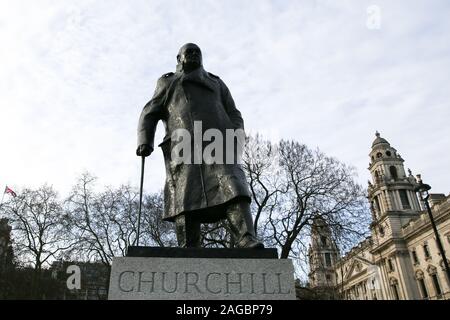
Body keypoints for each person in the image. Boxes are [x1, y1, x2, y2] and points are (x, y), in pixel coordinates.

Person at [136, 43, 263, 249]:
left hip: (219, 145)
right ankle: (188, 245)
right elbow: (149, 111)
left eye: (197, 52)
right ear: (179, 59)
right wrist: (144, 140)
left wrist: (235, 136)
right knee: (185, 196)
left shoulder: (216, 82)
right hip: (184, 145)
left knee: (234, 186)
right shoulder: (168, 83)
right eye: (189, 52)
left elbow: (234, 113)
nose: (194, 55)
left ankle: (246, 237)